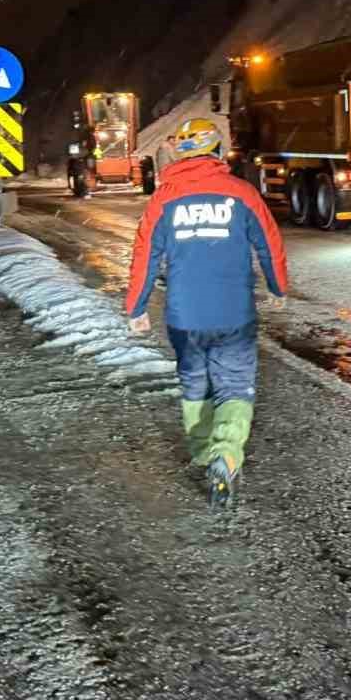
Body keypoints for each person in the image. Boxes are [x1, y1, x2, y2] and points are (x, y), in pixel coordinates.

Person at [125, 117, 287, 505]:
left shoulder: (164, 199)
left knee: (194, 383)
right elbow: (269, 242)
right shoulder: (242, 193)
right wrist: (278, 287)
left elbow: (145, 257)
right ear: (216, 151)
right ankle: (226, 455)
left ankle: (203, 455)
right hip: (234, 313)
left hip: (185, 316)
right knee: (233, 384)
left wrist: (136, 307)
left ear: (179, 154)